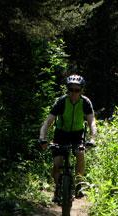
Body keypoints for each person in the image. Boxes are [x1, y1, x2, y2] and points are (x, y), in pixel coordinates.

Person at [39, 74, 97, 203]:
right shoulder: (61, 101)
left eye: (77, 90)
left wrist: (92, 139)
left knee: (80, 153)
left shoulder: (85, 102)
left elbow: (92, 122)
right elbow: (48, 122)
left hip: (77, 134)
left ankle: (78, 185)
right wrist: (42, 138)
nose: (74, 93)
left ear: (81, 90)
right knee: (57, 163)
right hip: (61, 134)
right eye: (71, 89)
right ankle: (57, 188)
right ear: (67, 89)